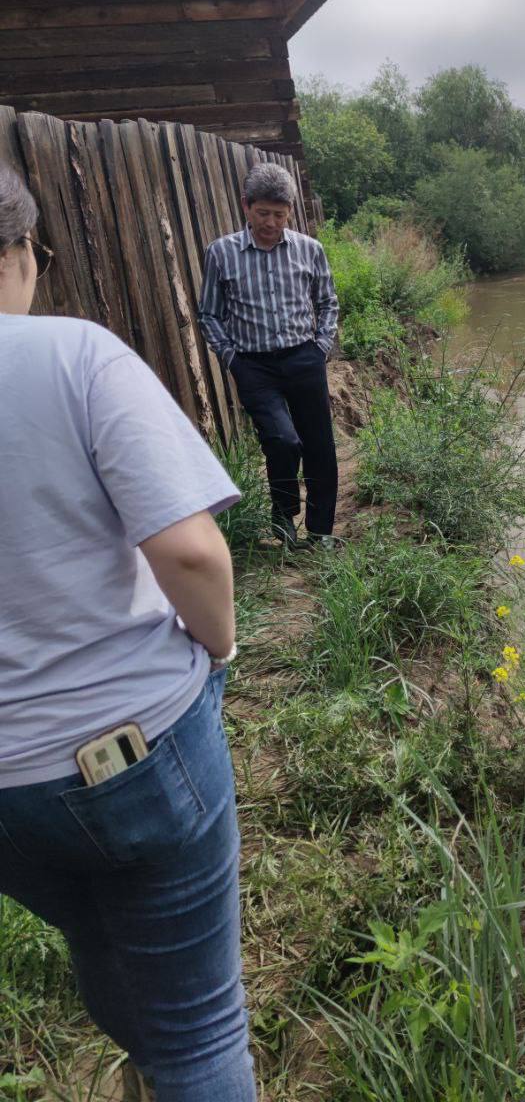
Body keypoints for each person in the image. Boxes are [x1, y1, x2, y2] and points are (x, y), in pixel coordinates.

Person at [0, 163, 256, 1102]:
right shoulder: (74, 355)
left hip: (7, 797)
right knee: (202, 1030)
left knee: (94, 930)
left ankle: (143, 1060)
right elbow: (190, 554)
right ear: (24, 250)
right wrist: (219, 649)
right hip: (134, 753)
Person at [198, 162, 339, 550]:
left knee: (320, 447)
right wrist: (231, 358)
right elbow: (208, 313)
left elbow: (328, 303)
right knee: (281, 441)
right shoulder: (221, 253)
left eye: (279, 214)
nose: (271, 223)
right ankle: (283, 518)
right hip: (254, 366)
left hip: (304, 359)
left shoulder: (310, 250)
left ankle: (322, 532)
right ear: (246, 206)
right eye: (263, 213)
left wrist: (321, 345)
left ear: (290, 211)